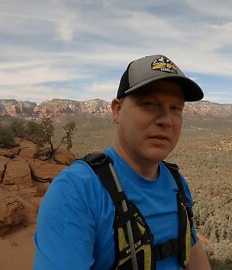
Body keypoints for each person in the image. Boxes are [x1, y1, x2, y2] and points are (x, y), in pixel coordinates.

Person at [34, 55, 211, 270]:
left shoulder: (178, 183)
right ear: (117, 110)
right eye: (149, 104)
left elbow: (193, 253)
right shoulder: (76, 191)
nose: (166, 120)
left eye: (176, 109)